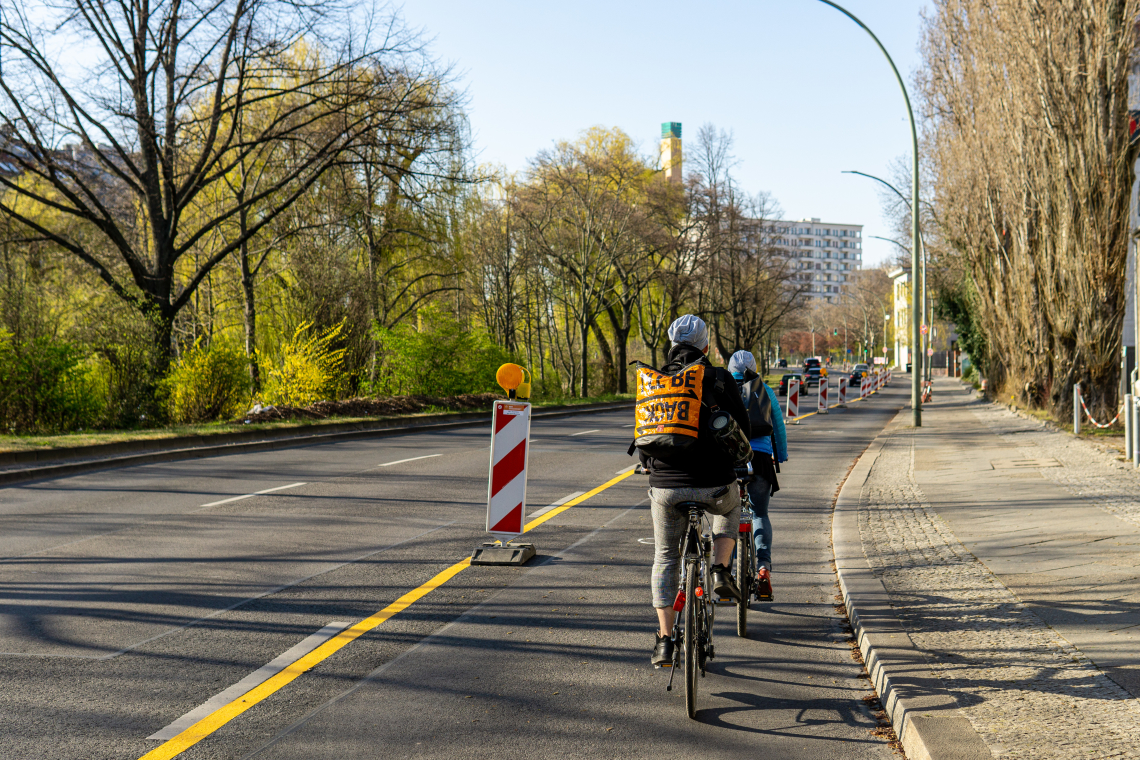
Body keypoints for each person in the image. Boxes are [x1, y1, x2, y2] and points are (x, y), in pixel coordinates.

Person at [640, 315, 751, 667]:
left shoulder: (656, 379)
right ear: (705, 345)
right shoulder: (718, 376)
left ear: (671, 344)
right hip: (715, 483)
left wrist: (647, 463)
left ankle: (664, 641)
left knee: (665, 557)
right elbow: (742, 428)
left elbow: (645, 434)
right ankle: (719, 568)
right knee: (732, 509)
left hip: (666, 488)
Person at [727, 350, 787, 600]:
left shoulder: (722, 387)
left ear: (731, 369)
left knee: (727, 515)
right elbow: (778, 426)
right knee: (759, 513)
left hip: (729, 460)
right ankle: (763, 569)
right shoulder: (765, 391)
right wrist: (780, 455)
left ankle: (726, 573)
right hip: (760, 461)